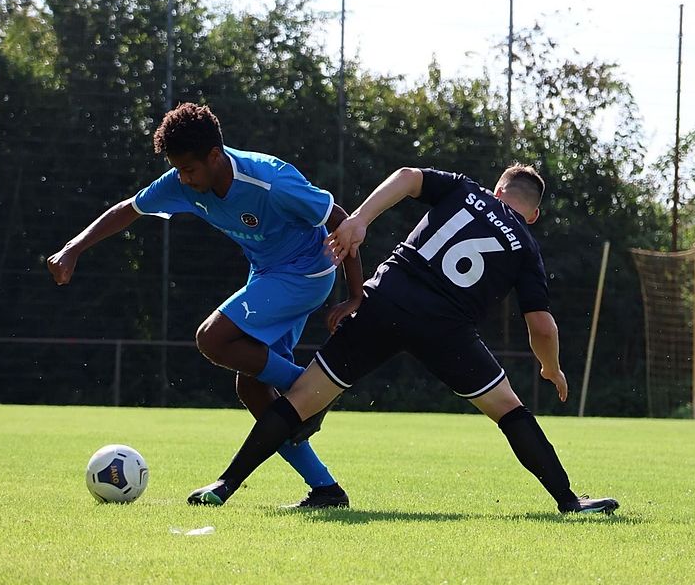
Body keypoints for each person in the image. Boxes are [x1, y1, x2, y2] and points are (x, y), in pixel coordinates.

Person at [188, 164, 620, 514]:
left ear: (498, 189)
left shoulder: (465, 189)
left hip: (386, 301)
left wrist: (358, 219)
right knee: (509, 411)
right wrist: (550, 367)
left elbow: (408, 176)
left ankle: (225, 485)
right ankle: (568, 500)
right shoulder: (526, 247)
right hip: (447, 329)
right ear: (534, 215)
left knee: (299, 399)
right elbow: (542, 325)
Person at [47, 102, 362, 509]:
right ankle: (326, 489)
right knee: (250, 385)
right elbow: (129, 209)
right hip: (268, 274)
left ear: (215, 156)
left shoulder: (271, 181)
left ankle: (313, 388)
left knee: (213, 338)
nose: (183, 178)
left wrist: (355, 296)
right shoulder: (183, 181)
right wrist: (73, 249)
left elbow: (341, 220)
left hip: (308, 273)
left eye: (189, 169)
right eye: (177, 169)